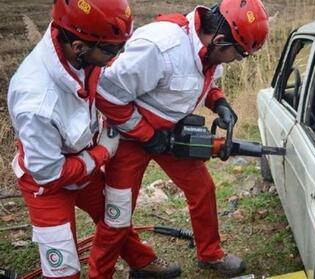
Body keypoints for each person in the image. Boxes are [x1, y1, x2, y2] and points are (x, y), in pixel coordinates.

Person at [94, 0, 269, 277]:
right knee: (118, 212)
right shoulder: (160, 47)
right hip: (129, 135)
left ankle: (210, 254)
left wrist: (219, 103)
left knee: (202, 189)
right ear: (221, 40)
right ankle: (110, 271)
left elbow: (206, 82)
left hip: (170, 135)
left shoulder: (210, 50)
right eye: (238, 54)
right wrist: (146, 135)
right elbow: (106, 95)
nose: (236, 60)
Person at [7, 0, 133, 278]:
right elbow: (49, 174)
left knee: (117, 218)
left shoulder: (80, 53)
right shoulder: (37, 103)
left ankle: (142, 262)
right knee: (63, 271)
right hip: (47, 184)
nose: (118, 55)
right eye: (113, 49)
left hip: (83, 165)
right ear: (79, 48)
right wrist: (102, 153)